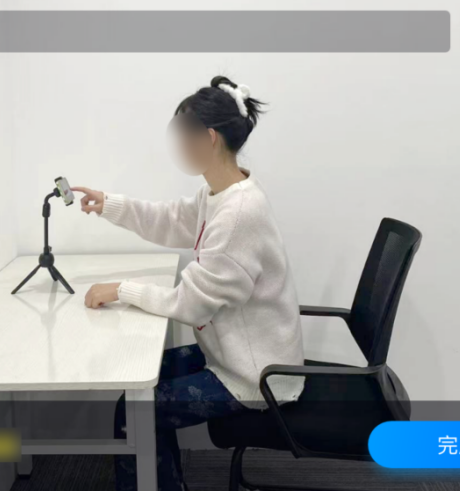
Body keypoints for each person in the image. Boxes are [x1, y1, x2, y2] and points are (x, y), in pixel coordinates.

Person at [72, 76, 304, 491]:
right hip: (231, 357)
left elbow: (190, 305)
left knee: (135, 411)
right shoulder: (222, 194)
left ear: (208, 138)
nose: (177, 146)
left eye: (182, 135)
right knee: (139, 383)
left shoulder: (238, 215)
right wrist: (109, 204)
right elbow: (170, 220)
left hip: (255, 377)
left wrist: (121, 290)